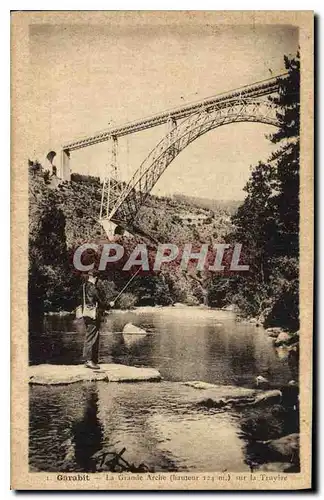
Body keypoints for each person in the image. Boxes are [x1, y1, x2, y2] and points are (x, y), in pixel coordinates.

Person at [82, 270, 114, 370]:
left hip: (86, 313)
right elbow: (100, 302)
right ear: (95, 278)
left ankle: (93, 360)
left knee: (92, 335)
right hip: (93, 315)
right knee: (91, 336)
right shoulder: (93, 288)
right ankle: (89, 361)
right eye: (97, 279)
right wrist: (109, 305)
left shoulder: (84, 286)